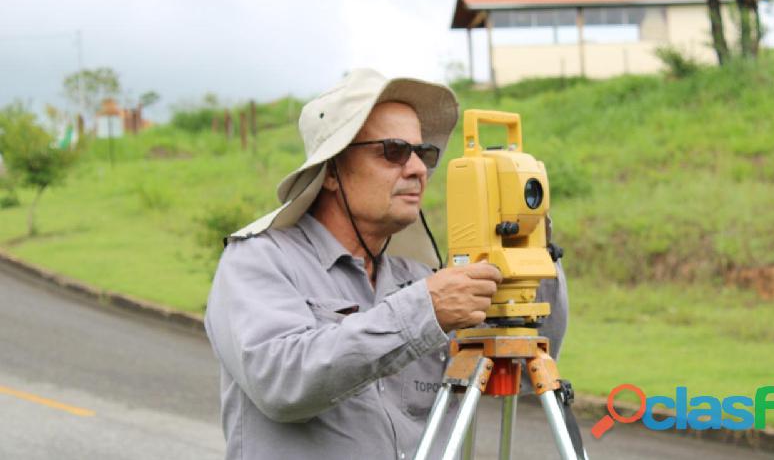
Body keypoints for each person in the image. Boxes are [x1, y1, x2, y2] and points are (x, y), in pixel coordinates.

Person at [204, 68, 568, 460]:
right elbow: (280, 382)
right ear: (331, 171)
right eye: (393, 151)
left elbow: (523, 363)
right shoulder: (259, 260)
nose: (416, 169)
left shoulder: (420, 279)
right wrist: (424, 310)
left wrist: (527, 236)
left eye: (423, 153)